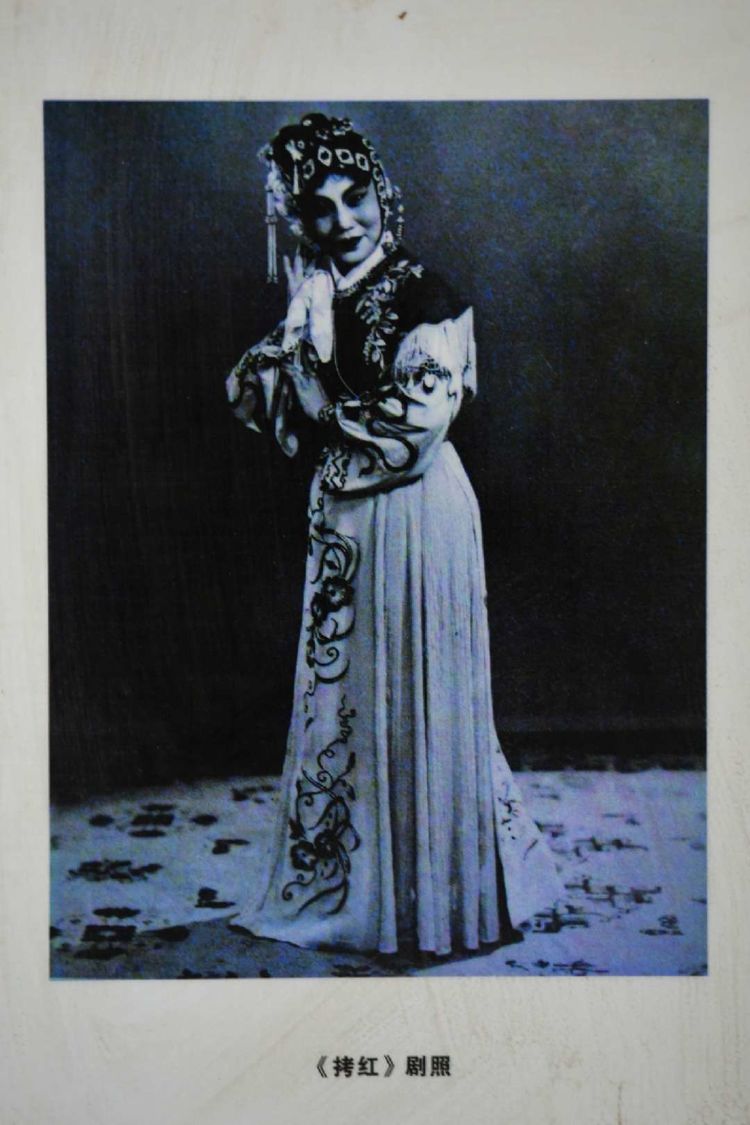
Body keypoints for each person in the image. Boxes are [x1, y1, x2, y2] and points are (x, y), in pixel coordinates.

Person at [226, 113, 562, 956]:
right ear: (299, 220)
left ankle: (437, 903)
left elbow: (418, 423)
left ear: (384, 195)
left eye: (356, 198)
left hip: (415, 510)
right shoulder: (319, 294)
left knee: (422, 696)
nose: (343, 220)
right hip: (345, 517)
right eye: (320, 207)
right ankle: (365, 892)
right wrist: (298, 329)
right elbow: (251, 391)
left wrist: (322, 404)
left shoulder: (424, 294)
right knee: (350, 700)